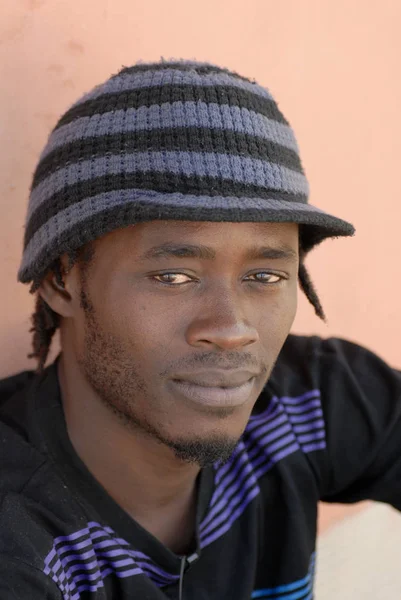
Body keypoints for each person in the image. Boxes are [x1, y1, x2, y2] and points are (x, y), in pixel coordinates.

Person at [0, 59, 400, 600]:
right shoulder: (19, 539)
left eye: (264, 275)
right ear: (60, 281)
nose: (232, 329)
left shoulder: (307, 401)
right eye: (173, 275)